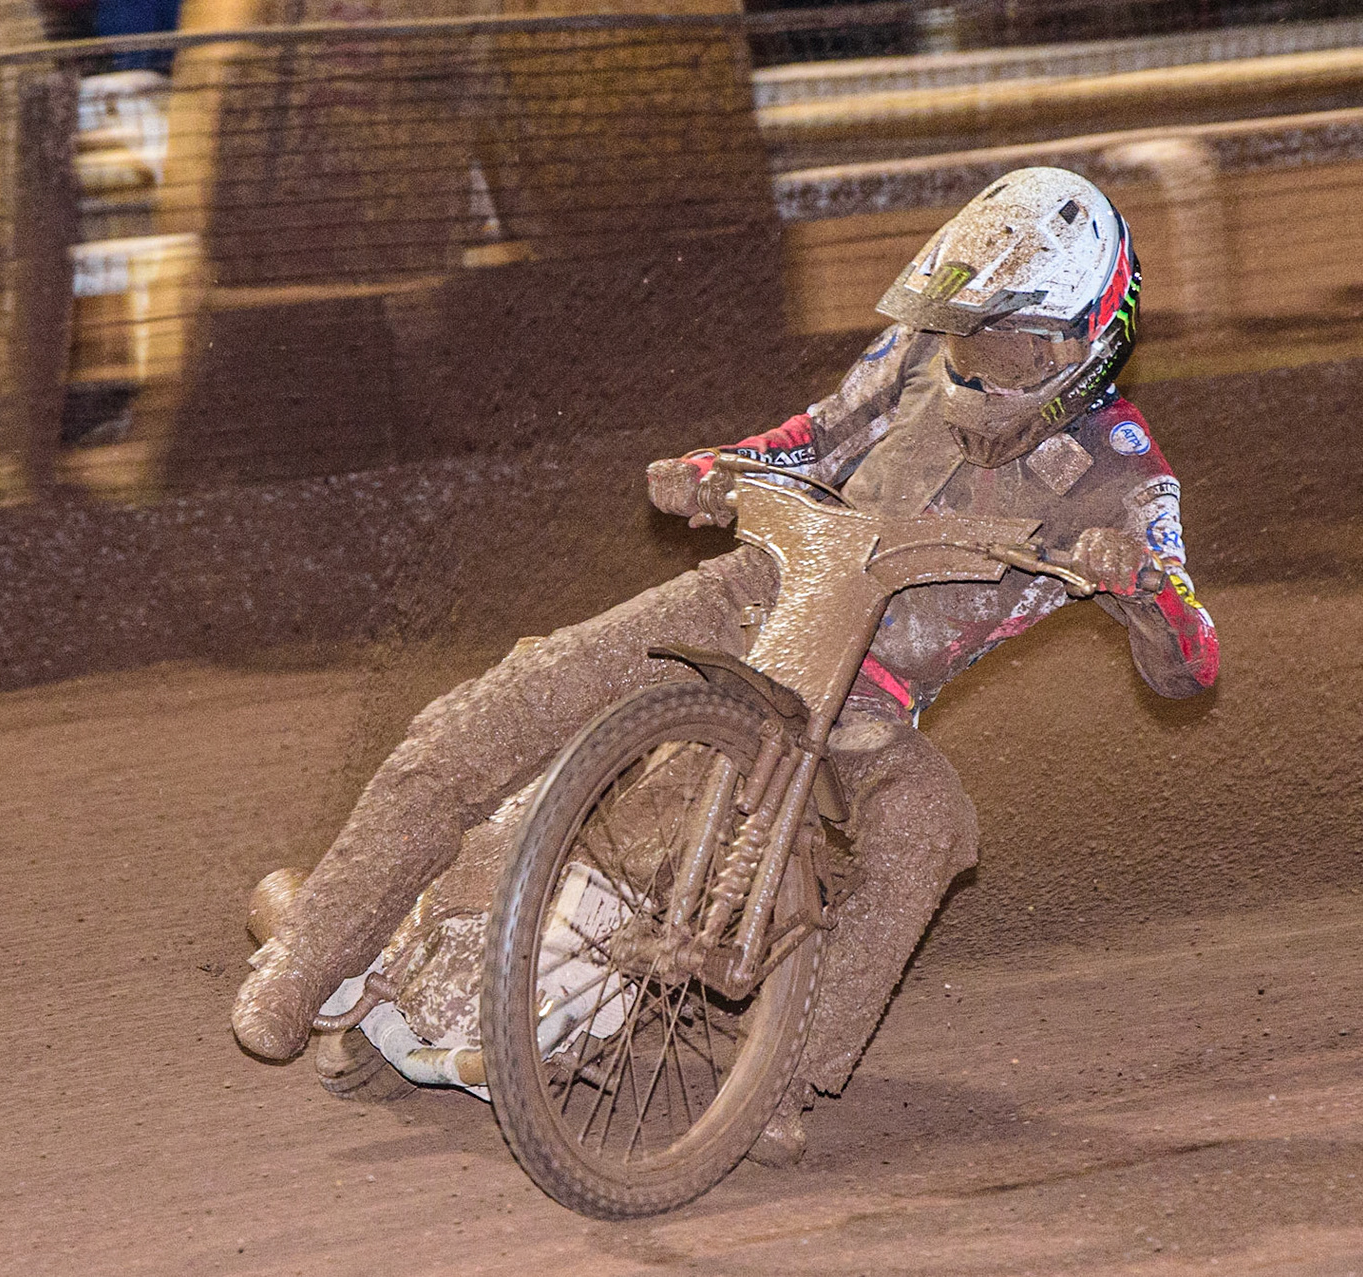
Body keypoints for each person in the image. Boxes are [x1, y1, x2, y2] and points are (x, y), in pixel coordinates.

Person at [231, 167, 1219, 1162]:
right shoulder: (918, 358)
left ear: (1093, 341)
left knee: (928, 823)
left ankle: (785, 1077)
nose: (979, 361)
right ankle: (310, 954)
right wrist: (725, 468)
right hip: (758, 590)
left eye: (1013, 342)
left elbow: (1191, 659)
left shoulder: (1128, 477)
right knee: (502, 703)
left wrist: (1144, 593)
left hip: (865, 703)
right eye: (970, 331)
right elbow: (820, 432)